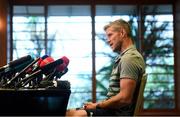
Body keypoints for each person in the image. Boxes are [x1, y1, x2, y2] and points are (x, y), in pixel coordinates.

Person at [66, 19, 146, 116]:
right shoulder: (126, 57)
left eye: (110, 35)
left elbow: (124, 98)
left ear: (122, 32)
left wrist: (97, 106)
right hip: (111, 111)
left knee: (77, 115)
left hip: (116, 114)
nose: (108, 40)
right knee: (68, 113)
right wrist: (97, 105)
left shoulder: (129, 58)